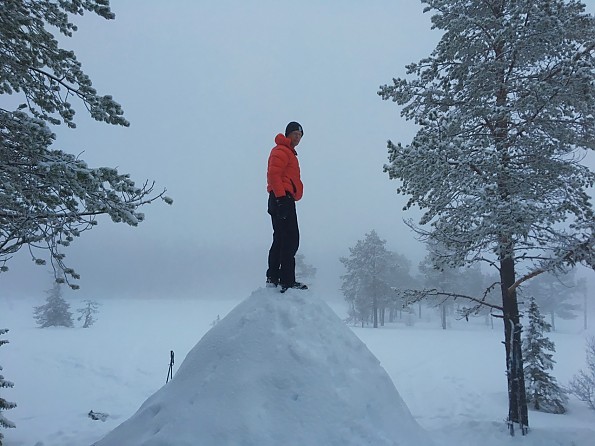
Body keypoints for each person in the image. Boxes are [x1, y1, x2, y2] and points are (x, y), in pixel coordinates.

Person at [266, 121, 308, 292]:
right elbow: (273, 174)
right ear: (288, 134)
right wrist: (282, 199)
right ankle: (287, 281)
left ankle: (274, 278)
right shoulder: (281, 151)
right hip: (281, 198)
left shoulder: (288, 152)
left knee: (281, 239)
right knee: (290, 239)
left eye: (300, 136)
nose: (297, 138)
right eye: (295, 135)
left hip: (280, 198)